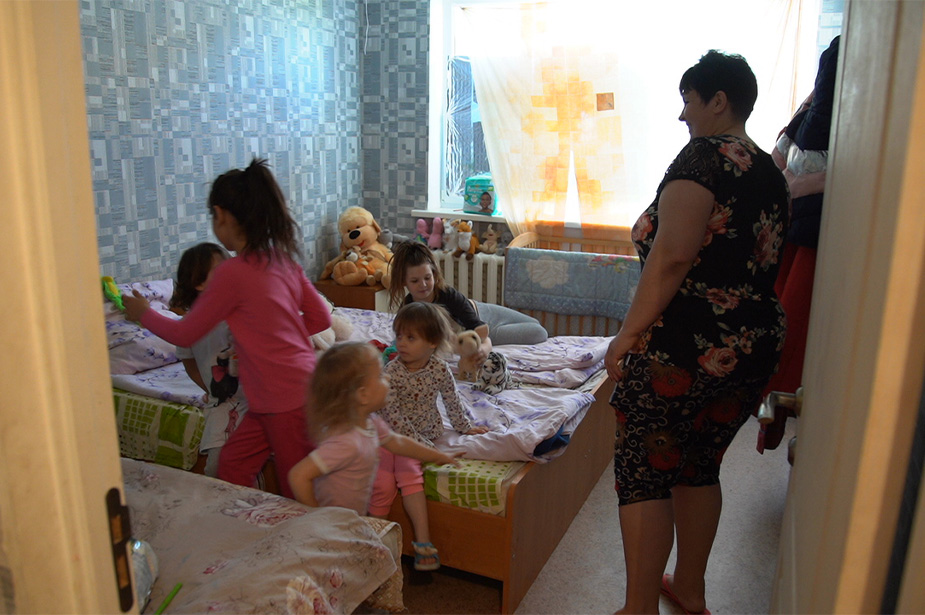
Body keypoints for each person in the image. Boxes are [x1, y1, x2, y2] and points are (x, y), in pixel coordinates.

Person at [603, 51, 789, 615]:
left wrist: (626, 335)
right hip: (753, 345)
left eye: (688, 100)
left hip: (688, 347)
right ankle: (689, 589)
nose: (683, 115)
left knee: (644, 467)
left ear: (718, 101)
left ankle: (638, 610)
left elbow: (672, 257)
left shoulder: (704, 159)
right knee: (698, 463)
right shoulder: (769, 171)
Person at [123, 158, 332, 499]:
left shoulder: (232, 274)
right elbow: (320, 318)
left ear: (221, 215)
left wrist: (143, 312)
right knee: (230, 471)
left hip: (285, 398)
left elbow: (184, 334)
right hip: (270, 399)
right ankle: (252, 532)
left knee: (299, 487)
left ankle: (314, 545)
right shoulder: (283, 260)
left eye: (213, 218)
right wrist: (277, 336)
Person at [759, 35, 840, 453]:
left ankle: (787, 420)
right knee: (785, 330)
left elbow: (786, 159)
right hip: (798, 227)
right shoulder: (813, 115)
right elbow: (781, 153)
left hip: (808, 231)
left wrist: (794, 186)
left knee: (790, 336)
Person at [369, 302, 488, 571]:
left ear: (433, 342)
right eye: (399, 336)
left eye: (411, 337)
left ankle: (421, 543)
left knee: (408, 475)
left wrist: (465, 426)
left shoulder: (438, 369)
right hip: (394, 436)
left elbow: (452, 400)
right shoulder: (392, 372)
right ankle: (375, 541)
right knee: (385, 484)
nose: (402, 343)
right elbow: (395, 420)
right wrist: (420, 447)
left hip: (423, 432)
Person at [287, 341, 462, 515]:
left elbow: (398, 443)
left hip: (350, 518)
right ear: (363, 395)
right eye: (379, 375)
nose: (387, 377)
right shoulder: (346, 441)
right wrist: (318, 516)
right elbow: (298, 476)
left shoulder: (371, 422)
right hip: (331, 522)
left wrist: (438, 455)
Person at [168, 242, 249, 477]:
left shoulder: (240, 311)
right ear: (200, 283)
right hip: (223, 401)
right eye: (222, 269)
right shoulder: (190, 325)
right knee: (216, 466)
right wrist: (209, 387)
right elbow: (188, 360)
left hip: (259, 397)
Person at [387, 240, 548, 354]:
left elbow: (480, 331)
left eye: (427, 278)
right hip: (479, 330)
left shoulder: (448, 296)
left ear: (435, 274)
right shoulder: (408, 309)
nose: (423, 285)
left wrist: (483, 350)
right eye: (415, 281)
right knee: (539, 332)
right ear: (404, 282)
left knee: (535, 324)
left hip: (480, 319)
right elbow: (401, 341)